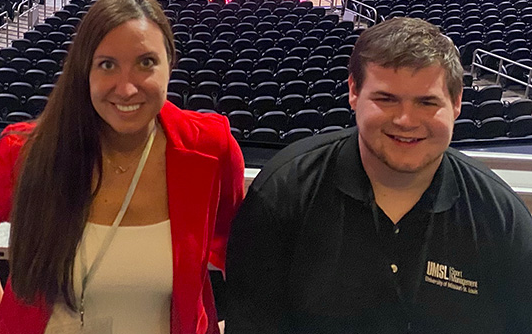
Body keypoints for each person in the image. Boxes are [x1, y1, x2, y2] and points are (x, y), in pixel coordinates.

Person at [226, 17, 532, 334]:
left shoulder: (501, 216)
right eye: (386, 99)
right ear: (354, 92)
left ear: (456, 104)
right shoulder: (283, 192)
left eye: (427, 102)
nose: (405, 120)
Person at [0, 0, 245, 334]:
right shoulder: (27, 152)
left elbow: (239, 259)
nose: (127, 88)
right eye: (107, 65)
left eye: (146, 62)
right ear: (84, 70)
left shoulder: (210, 149)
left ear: (170, 64)